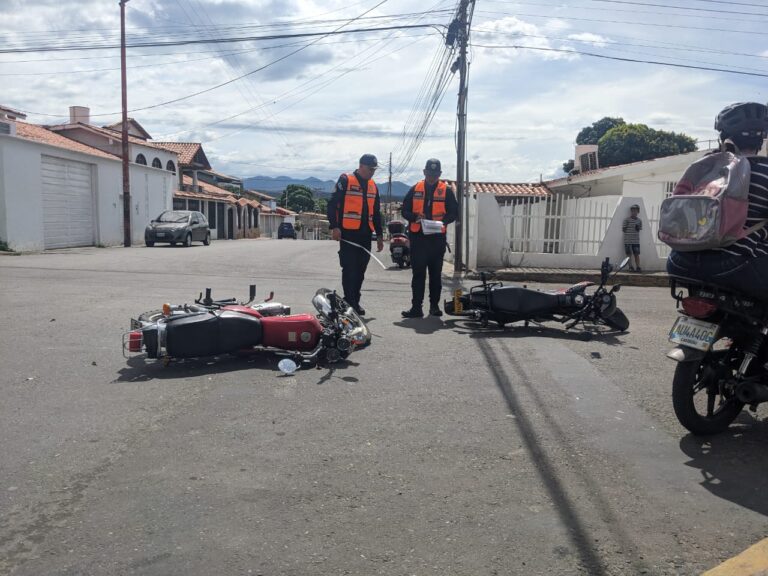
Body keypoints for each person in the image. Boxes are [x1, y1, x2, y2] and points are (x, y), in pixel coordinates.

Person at [667, 102, 768, 299]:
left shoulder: (705, 165)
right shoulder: (765, 171)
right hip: (734, 267)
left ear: (723, 135)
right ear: (761, 139)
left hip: (680, 261)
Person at [400, 158, 459, 318]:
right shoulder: (414, 189)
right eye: (429, 173)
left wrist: (443, 222)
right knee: (418, 274)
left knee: (435, 275)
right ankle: (416, 308)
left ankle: (434, 306)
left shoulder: (446, 191)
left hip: (437, 239)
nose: (432, 176)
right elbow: (404, 211)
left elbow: (454, 212)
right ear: (424, 172)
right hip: (419, 239)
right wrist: (414, 217)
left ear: (439, 174)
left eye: (435, 173)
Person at [327, 153, 384, 316]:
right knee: (349, 268)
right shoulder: (346, 180)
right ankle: (349, 302)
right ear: (361, 166)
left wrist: (379, 235)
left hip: (366, 234)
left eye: (374, 169)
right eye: (370, 169)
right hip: (348, 233)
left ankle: (355, 301)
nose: (372, 172)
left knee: (361, 269)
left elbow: (377, 212)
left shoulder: (373, 185)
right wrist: (334, 226)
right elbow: (332, 204)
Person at [622, 204, 643, 272]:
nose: (634, 212)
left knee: (636, 254)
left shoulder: (639, 221)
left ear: (638, 212)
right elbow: (624, 229)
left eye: (636, 211)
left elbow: (639, 229)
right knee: (629, 255)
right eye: (633, 210)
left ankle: (638, 267)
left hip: (636, 241)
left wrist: (637, 228)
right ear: (631, 211)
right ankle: (630, 267)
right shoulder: (626, 220)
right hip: (628, 240)